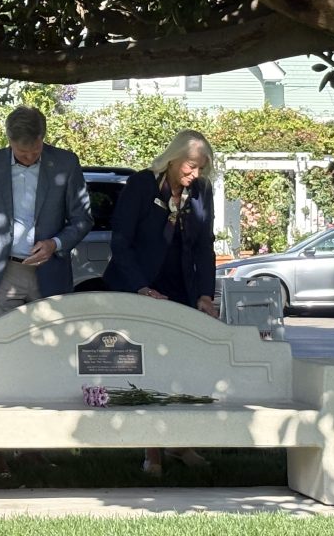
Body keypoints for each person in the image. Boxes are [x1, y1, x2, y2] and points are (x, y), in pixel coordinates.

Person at [0, 105, 93, 475]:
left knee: (47, 361)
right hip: (4, 273)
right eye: (21, 152)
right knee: (0, 359)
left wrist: (56, 243)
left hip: (49, 274)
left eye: (34, 151)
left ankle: (34, 446)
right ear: (9, 141)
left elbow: (83, 218)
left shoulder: (66, 163)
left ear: (44, 139)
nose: (28, 157)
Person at [103, 129, 219, 477]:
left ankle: (180, 443)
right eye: (190, 166)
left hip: (180, 287)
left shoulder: (201, 191)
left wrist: (205, 294)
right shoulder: (141, 184)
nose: (194, 174)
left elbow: (204, 245)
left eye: (200, 168)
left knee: (182, 367)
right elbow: (120, 242)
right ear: (172, 158)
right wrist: (140, 287)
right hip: (139, 286)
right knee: (147, 368)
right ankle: (151, 449)